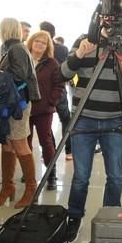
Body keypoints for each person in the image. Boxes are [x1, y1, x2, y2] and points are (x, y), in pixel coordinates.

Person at [60, 18, 122, 243]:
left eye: (116, 22)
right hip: (84, 120)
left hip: (115, 121)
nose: (111, 26)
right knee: (81, 177)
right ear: (98, 20)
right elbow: (63, 74)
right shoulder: (84, 41)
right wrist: (80, 54)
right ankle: (74, 218)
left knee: (115, 176)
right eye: (107, 21)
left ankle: (110, 217)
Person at [0, 18, 41, 209]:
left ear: (5, 30)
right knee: (7, 144)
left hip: (17, 103)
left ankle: (30, 189)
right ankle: (7, 187)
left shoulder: (17, 48)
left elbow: (20, 75)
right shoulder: (10, 48)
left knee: (19, 144)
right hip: (9, 102)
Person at [26, 31, 64, 191]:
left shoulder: (52, 63)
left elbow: (60, 85)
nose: (39, 45)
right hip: (24, 108)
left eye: (43, 43)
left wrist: (51, 101)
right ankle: (28, 174)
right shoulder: (24, 60)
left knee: (46, 142)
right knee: (25, 142)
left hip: (44, 110)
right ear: (31, 42)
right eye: (37, 41)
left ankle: (51, 174)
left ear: (47, 46)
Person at [39, 21, 72, 160]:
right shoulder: (62, 49)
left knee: (45, 121)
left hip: (46, 91)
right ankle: (68, 151)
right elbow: (67, 70)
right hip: (59, 89)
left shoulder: (41, 50)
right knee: (65, 119)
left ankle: (50, 149)